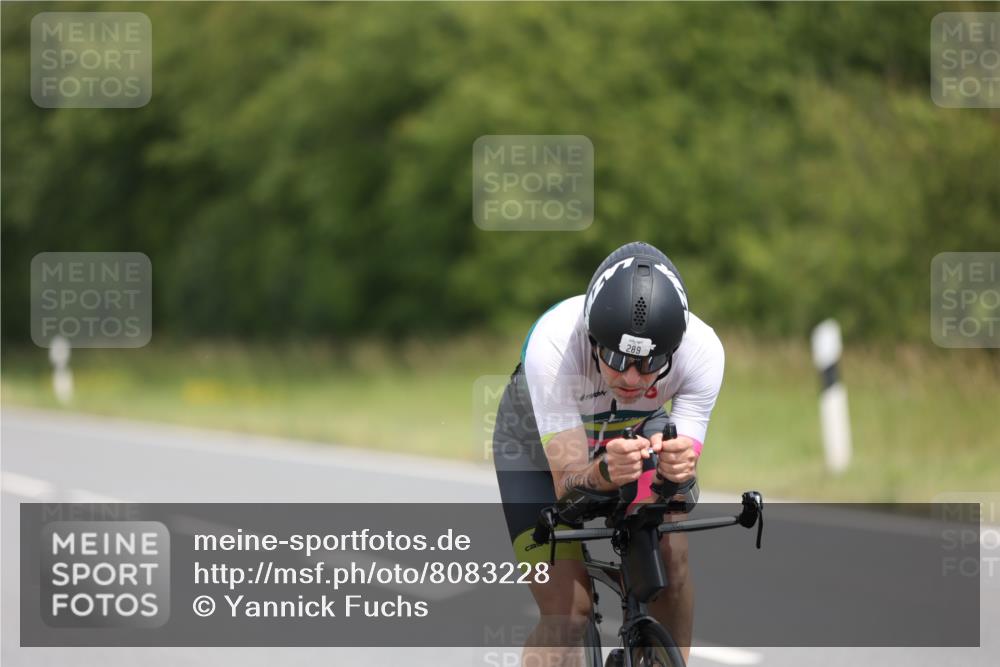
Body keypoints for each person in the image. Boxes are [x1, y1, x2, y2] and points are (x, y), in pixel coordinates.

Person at [492, 241, 725, 666]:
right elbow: (567, 488)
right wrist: (602, 473)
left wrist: (677, 473)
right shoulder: (556, 345)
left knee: (672, 566)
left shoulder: (704, 352)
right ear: (592, 339)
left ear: (674, 352)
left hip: (634, 436)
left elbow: (680, 486)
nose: (632, 378)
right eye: (616, 358)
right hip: (536, 455)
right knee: (569, 613)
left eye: (650, 364)